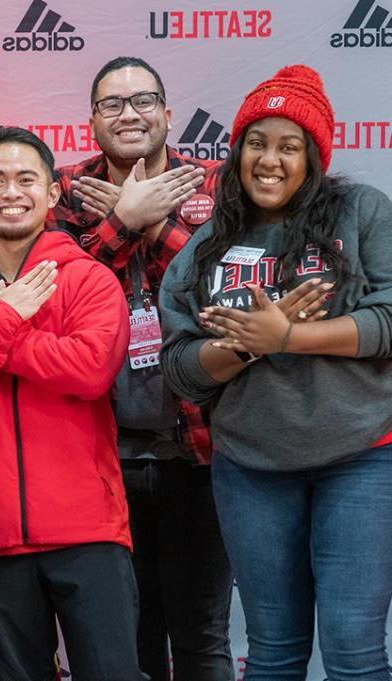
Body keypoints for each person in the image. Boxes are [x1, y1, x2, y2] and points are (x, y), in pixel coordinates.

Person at [160, 65, 392, 680]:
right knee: (272, 652)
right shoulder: (205, 244)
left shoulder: (360, 211)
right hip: (251, 468)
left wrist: (291, 336)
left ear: (313, 158)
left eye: (290, 146)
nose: (270, 160)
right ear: (237, 152)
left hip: (362, 458)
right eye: (257, 143)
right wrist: (247, 347)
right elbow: (182, 371)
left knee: (354, 651)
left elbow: (391, 319)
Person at [0, 127, 142, 681]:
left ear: (52, 194)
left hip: (90, 529)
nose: (10, 192)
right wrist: (2, 320)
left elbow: (89, 370)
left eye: (25, 179)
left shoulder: (88, 277)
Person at [41, 56, 234, 681]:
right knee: (131, 636)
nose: (130, 114)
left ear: (169, 114)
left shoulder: (217, 182)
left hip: (200, 447)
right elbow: (60, 290)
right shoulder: (63, 188)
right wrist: (124, 220)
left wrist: (151, 227)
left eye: (144, 101)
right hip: (102, 453)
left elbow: (216, 287)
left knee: (203, 636)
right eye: (113, 104)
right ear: (92, 122)